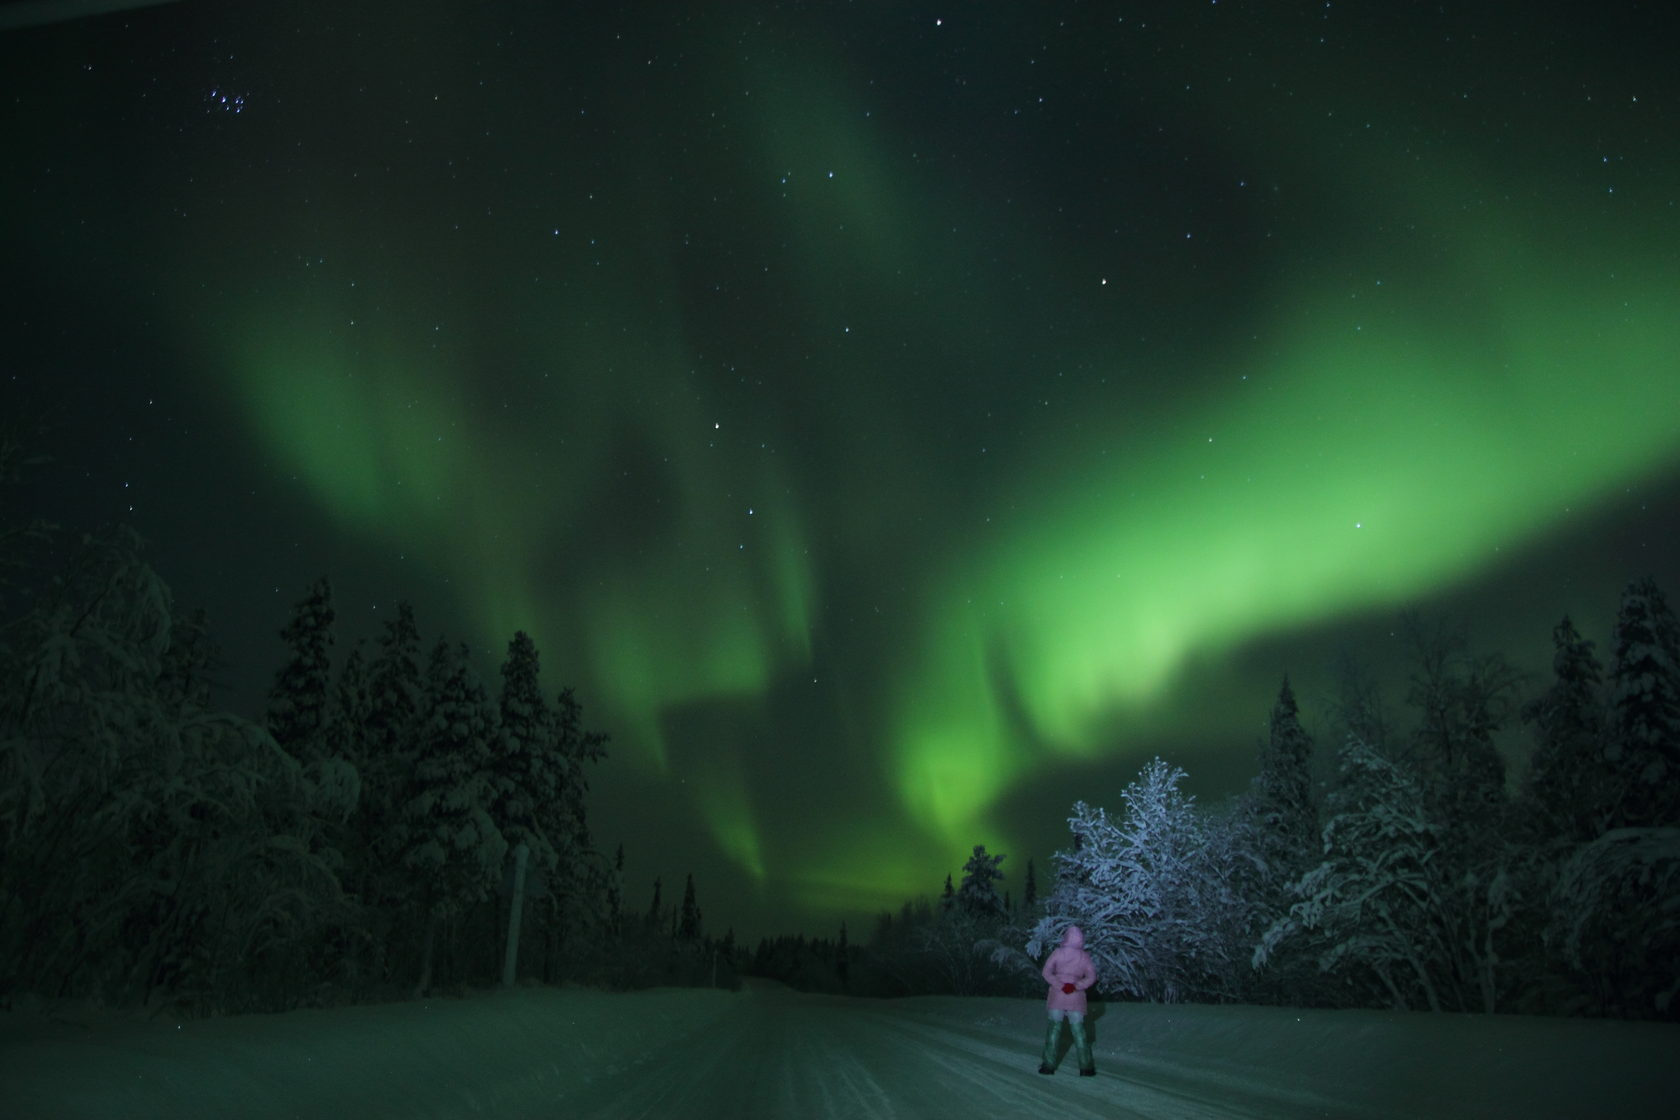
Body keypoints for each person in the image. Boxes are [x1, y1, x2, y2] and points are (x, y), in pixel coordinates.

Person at [1038, 924, 1096, 1076]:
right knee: (1079, 1033)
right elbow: (1091, 977)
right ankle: (1086, 1067)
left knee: (1054, 1031)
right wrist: (1076, 985)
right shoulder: (1084, 956)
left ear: (1066, 937)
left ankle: (1048, 1065)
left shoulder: (1058, 952)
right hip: (1076, 998)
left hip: (1058, 996)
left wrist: (1060, 984)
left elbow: (1046, 972)